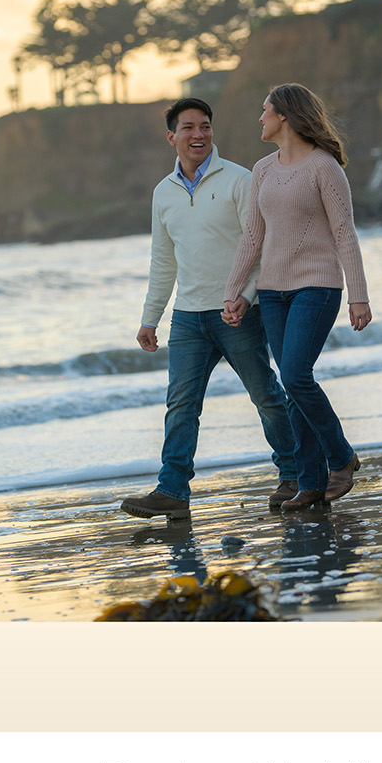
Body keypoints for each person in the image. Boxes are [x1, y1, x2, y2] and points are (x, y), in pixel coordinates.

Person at [123, 97, 300, 520]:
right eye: (187, 128)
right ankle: (173, 491)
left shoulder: (240, 180)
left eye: (204, 126)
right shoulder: (163, 194)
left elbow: (259, 246)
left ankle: (294, 475)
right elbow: (162, 261)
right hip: (187, 318)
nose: (197, 134)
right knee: (180, 405)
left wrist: (247, 295)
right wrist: (151, 318)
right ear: (172, 137)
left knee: (267, 397)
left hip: (236, 312)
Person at [222, 83, 373, 512]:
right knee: (292, 389)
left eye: (264, 111)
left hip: (317, 286)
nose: (260, 118)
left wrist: (358, 297)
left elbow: (345, 233)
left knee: (295, 376)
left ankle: (341, 458)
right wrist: (233, 293)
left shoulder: (324, 168)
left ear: (284, 116)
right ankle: (310, 483)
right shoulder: (263, 170)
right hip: (272, 292)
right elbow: (253, 236)